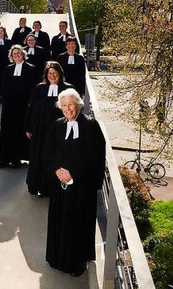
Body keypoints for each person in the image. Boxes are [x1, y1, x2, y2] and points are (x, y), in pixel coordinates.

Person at [45, 88, 105, 277]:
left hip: (81, 186)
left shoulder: (90, 126)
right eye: (64, 106)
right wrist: (57, 171)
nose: (68, 109)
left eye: (71, 105)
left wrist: (73, 174)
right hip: (60, 185)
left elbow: (94, 158)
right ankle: (57, 258)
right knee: (60, 221)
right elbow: (48, 152)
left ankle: (78, 262)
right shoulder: (58, 125)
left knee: (78, 223)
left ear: (78, 104)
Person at [24, 61, 74, 197]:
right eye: (50, 73)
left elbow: (74, 109)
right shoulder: (40, 88)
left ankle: (56, 187)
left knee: (57, 158)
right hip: (41, 130)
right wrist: (29, 127)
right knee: (40, 157)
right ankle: (39, 186)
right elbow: (32, 108)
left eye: (55, 73)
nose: (52, 76)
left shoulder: (67, 89)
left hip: (60, 131)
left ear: (60, 74)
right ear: (46, 75)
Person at [0, 45, 38, 169]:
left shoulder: (31, 68)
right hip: (10, 106)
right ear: (11, 56)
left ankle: (20, 158)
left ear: (23, 54)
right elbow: (4, 87)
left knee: (22, 131)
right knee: (8, 132)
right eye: (14, 54)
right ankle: (6, 159)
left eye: (18, 53)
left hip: (24, 107)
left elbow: (34, 88)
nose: (17, 55)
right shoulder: (8, 69)